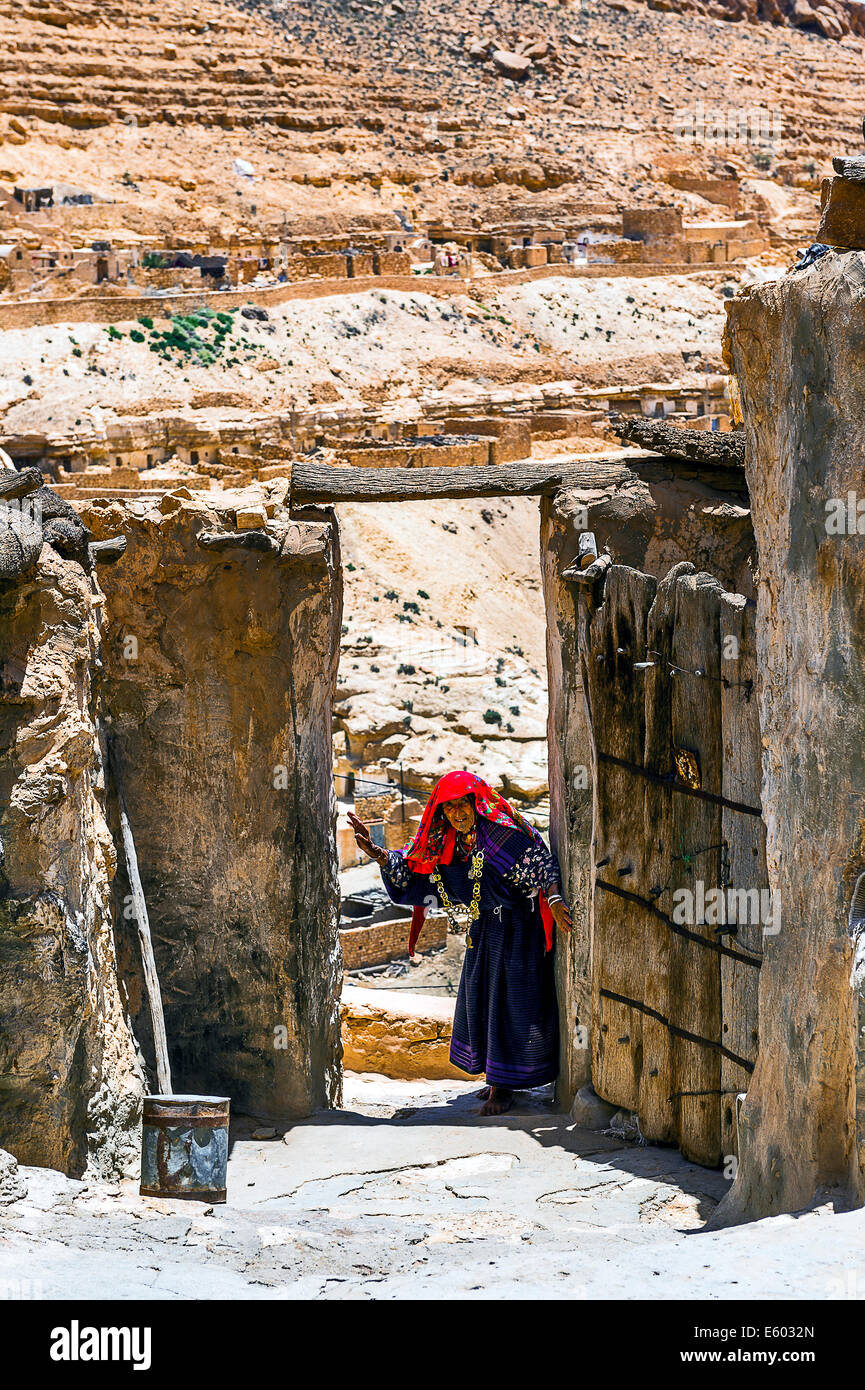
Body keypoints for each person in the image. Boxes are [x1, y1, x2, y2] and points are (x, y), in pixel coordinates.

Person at [348, 770, 571, 1116]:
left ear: (475, 803)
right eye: (449, 808)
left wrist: (555, 900)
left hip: (517, 930)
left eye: (462, 805)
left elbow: (541, 862)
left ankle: (504, 1088)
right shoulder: (443, 839)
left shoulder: (499, 834)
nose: (457, 814)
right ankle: (495, 1077)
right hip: (484, 929)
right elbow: (411, 864)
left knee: (510, 1003)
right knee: (481, 1000)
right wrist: (379, 855)